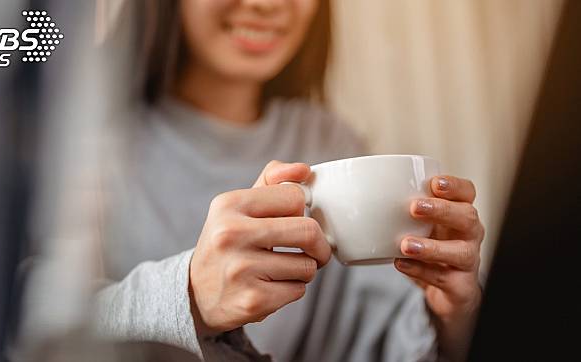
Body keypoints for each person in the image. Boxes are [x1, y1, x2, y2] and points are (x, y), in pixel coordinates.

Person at [94, 0, 485, 361]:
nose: (268, 4)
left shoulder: (330, 142)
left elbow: (377, 344)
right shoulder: (75, 143)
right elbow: (37, 321)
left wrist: (450, 318)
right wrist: (189, 296)